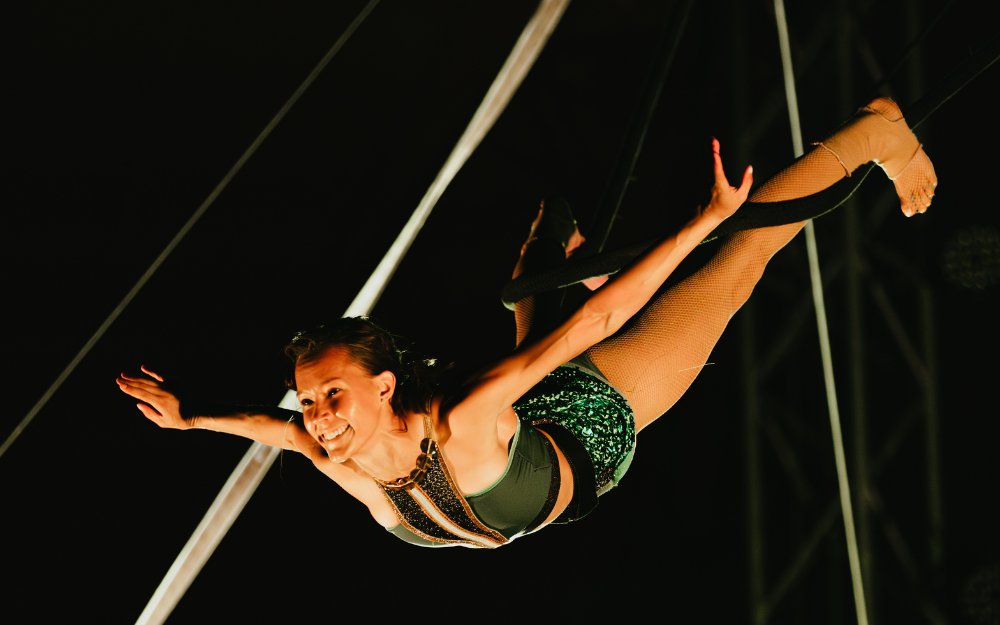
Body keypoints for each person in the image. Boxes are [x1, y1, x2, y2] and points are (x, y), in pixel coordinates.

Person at [118, 97, 936, 548]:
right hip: (535, 422)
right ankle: (552, 243)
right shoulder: (352, 463)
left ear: (385, 385)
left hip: (597, 412)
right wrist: (192, 416)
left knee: (736, 265)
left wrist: (703, 221)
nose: (320, 417)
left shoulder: (461, 417)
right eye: (312, 400)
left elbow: (598, 322)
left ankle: (877, 132)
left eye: (332, 394)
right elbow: (277, 428)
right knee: (533, 302)